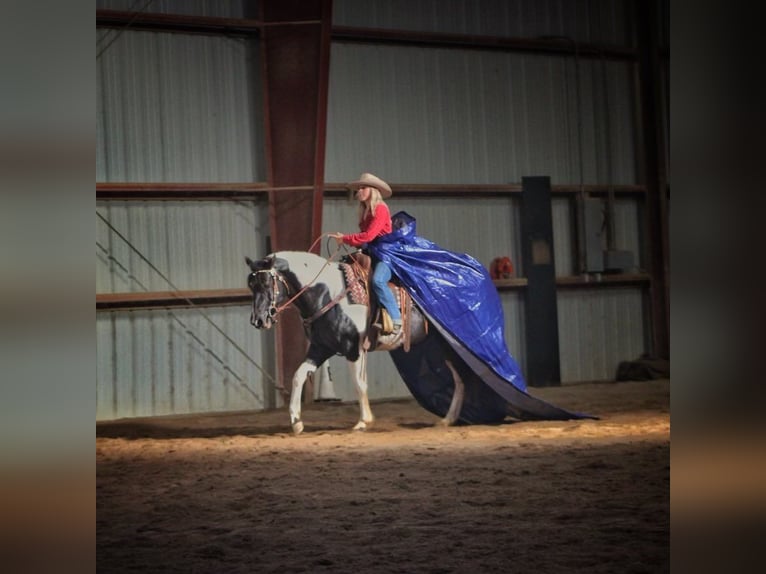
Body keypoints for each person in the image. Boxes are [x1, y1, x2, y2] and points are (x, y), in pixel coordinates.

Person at [329, 173, 402, 345]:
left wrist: (345, 238)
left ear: (373, 190)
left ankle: (396, 320)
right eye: (359, 188)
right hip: (372, 252)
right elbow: (365, 239)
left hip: (387, 254)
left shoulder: (381, 209)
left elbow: (368, 236)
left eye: (363, 188)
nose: (359, 191)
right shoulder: (365, 212)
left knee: (378, 281)